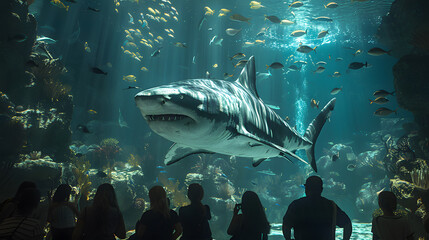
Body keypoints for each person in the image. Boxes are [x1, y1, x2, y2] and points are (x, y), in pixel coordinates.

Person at [282, 176, 352, 240]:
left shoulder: (296, 205)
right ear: (321, 189)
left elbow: (286, 226)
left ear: (306, 189)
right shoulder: (331, 205)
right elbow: (347, 224)